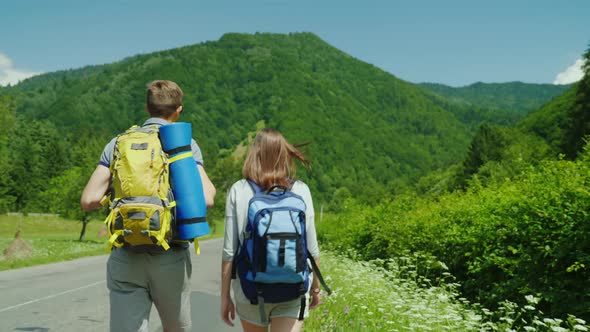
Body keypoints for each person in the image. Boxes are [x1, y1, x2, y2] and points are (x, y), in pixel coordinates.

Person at [80, 80, 216, 332]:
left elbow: (88, 199)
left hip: (126, 254)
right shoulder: (183, 144)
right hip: (170, 255)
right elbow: (207, 198)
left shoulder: (119, 143)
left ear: (147, 108)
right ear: (179, 110)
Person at [220, 128, 322, 332]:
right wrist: (315, 288)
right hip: (294, 288)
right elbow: (312, 248)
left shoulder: (239, 190)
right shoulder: (300, 190)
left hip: (250, 290)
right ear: (284, 155)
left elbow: (229, 253)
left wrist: (225, 297)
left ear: (254, 155)